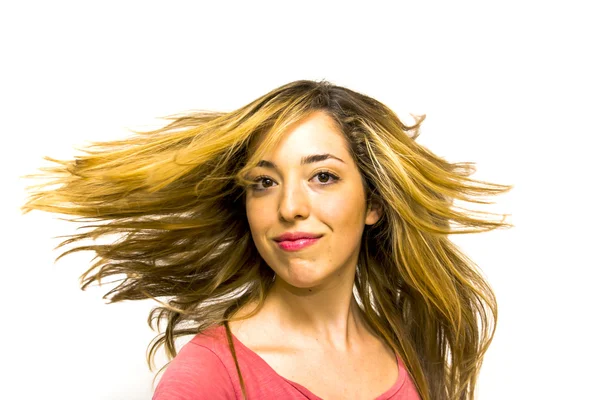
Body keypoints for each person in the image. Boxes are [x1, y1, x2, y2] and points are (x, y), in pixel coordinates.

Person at [22, 79, 511, 399]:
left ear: (374, 203)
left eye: (322, 176)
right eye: (264, 182)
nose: (290, 207)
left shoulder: (409, 350)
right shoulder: (209, 378)